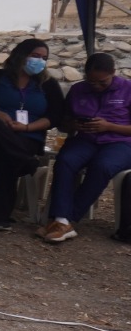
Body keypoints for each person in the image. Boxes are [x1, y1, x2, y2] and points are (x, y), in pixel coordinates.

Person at [0, 37, 67, 231]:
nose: (39, 61)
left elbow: (55, 117)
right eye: (35, 56)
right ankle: (26, 163)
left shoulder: (48, 85)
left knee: (5, 153)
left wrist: (27, 128)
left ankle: (0, 217)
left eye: (44, 58)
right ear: (20, 55)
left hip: (27, 137)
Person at [39, 52, 131, 243]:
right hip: (85, 139)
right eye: (91, 82)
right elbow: (63, 123)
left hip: (120, 142)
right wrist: (73, 125)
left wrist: (109, 126)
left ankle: (66, 220)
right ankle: (62, 220)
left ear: (113, 73)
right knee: (65, 161)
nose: (96, 86)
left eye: (102, 82)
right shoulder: (78, 90)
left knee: (103, 166)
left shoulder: (127, 89)